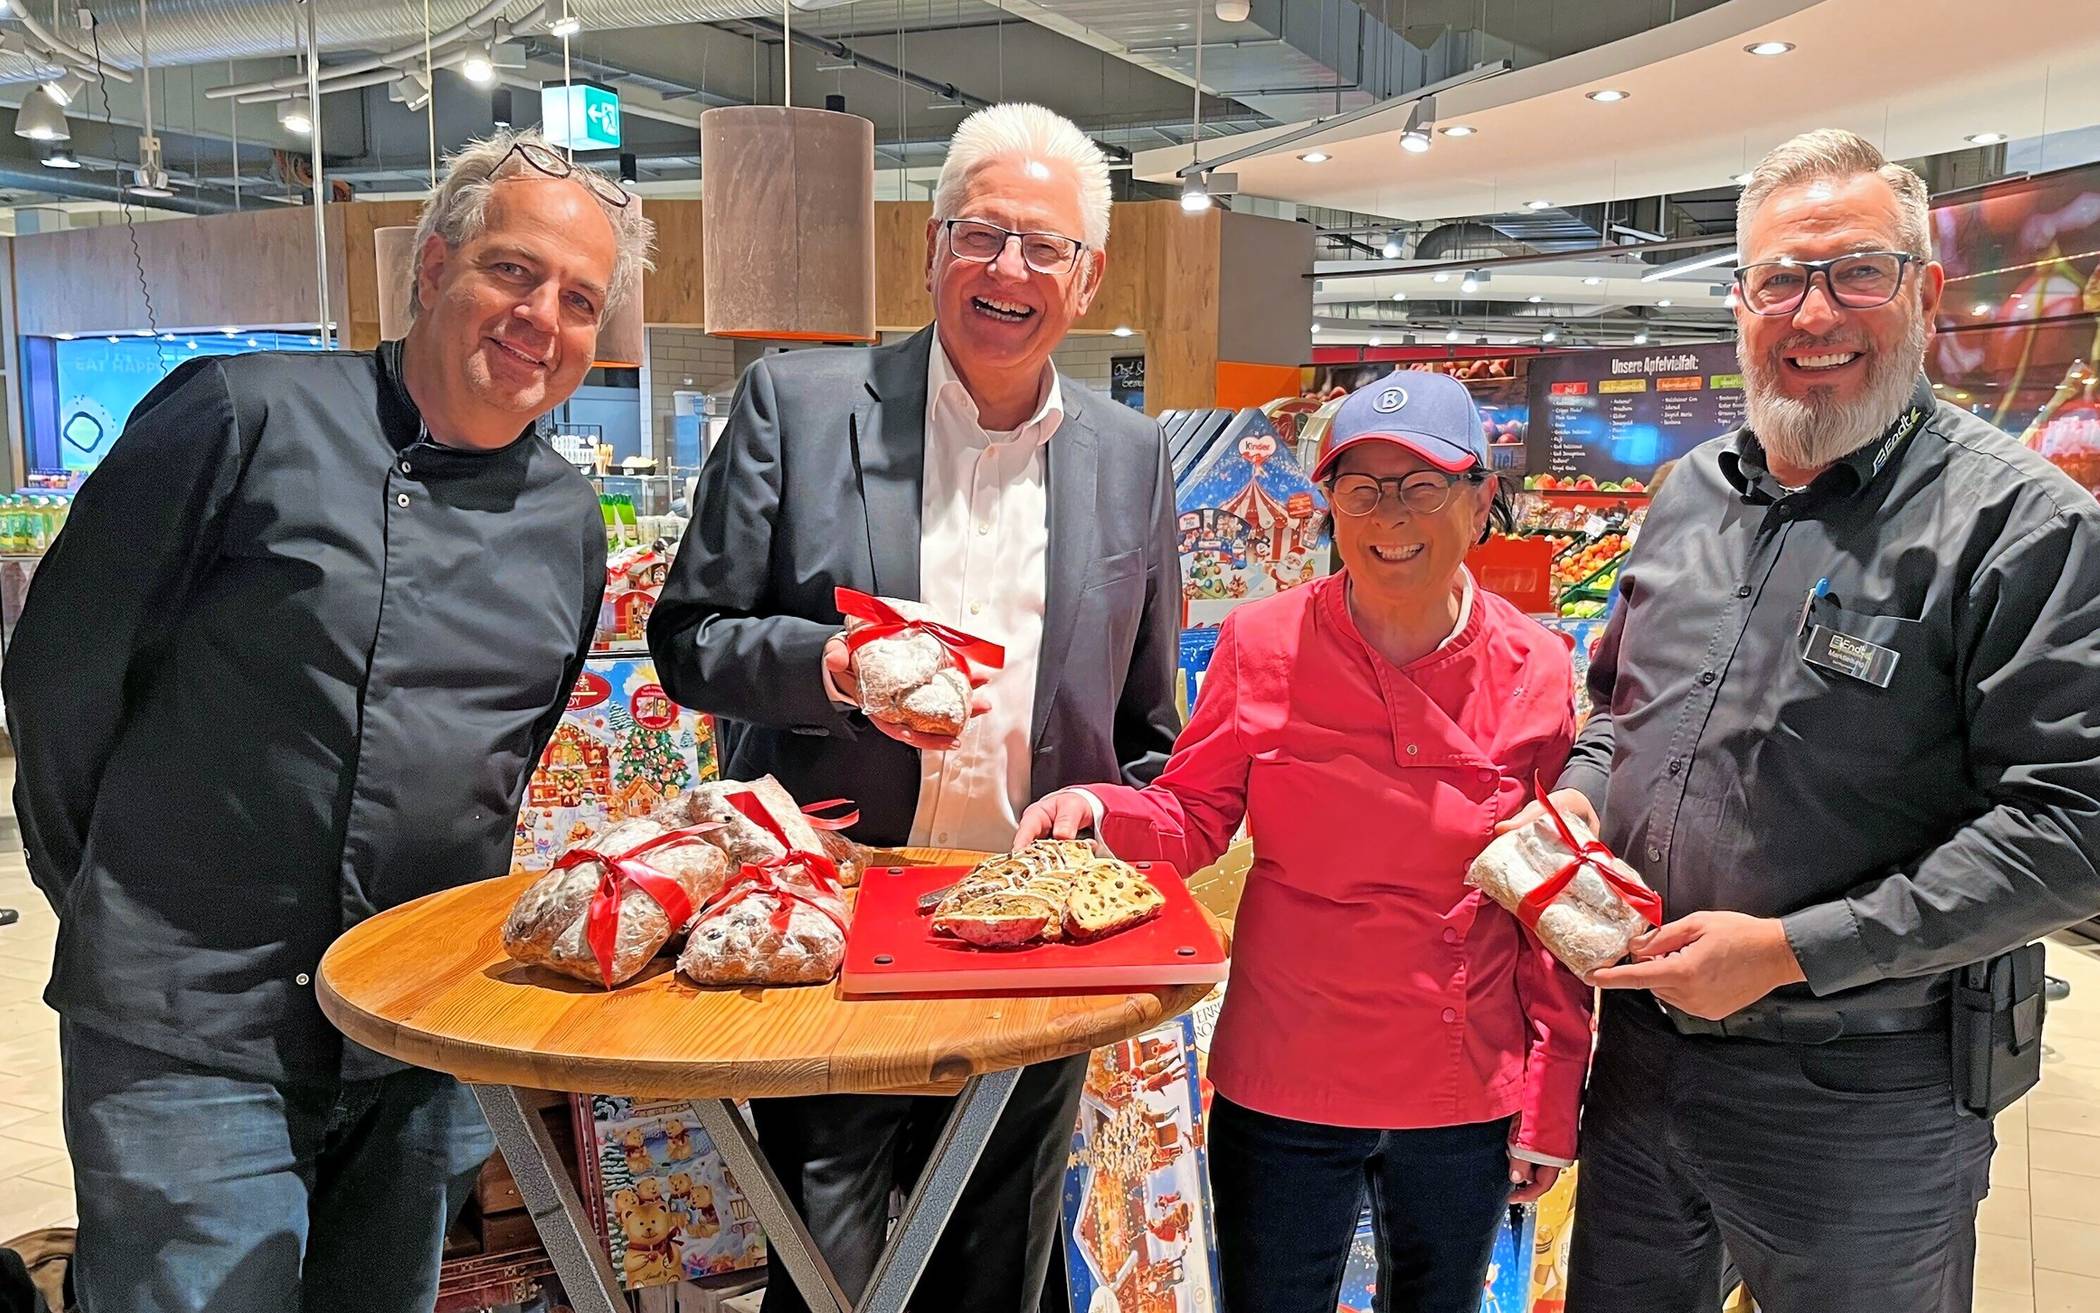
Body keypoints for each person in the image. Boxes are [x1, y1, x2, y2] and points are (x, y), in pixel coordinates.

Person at [4, 129, 654, 1313]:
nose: (537, 318)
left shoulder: (567, 517)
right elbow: (61, 680)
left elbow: (509, 755)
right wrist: (118, 894)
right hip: (194, 1029)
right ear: (433, 267)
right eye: (512, 270)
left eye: (577, 299)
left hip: (413, 1036)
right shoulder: (241, 418)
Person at [1502, 129, 2100, 1312]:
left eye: (1856, 272)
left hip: (1868, 1096)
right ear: (1740, 302)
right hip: (1640, 1067)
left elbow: (2075, 829)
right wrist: (1583, 784)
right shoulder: (1689, 495)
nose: (1815, 311)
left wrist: (1787, 954)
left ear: (1925, 294)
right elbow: (1623, 711)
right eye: (1782, 277)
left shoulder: (2020, 527)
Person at [647, 102, 1180, 1313]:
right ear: (933, 248)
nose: (1009, 269)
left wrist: (1105, 812)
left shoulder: (1127, 453)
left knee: (1001, 1260)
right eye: (982, 233)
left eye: (1044, 246)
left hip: (1031, 940)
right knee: (824, 1268)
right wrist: (833, 668)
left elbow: (1148, 726)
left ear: (1088, 276)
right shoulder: (798, 400)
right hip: (825, 922)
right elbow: (688, 640)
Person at [1017, 372, 1592, 1313]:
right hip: (1286, 1072)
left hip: (1462, 1084)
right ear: (1329, 502)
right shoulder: (1262, 641)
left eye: (1421, 484)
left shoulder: (1537, 664)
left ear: (1483, 498)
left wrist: (1551, 1089)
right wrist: (1100, 810)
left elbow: (1554, 901)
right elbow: (1194, 815)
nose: (1387, 514)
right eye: (1360, 486)